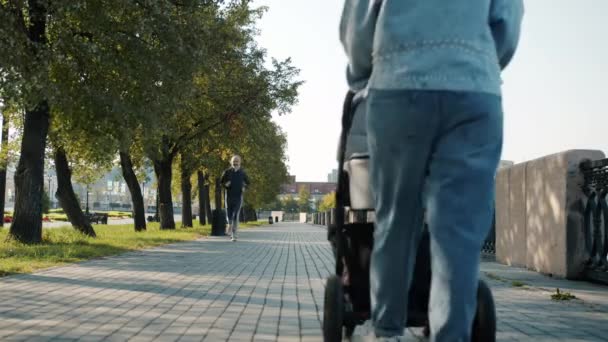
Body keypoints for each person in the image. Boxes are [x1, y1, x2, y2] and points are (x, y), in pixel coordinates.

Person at [340, 1, 523, 341]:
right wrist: (474, 61)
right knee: (458, 233)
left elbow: (358, 27)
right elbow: (507, 23)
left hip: (399, 83)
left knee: (395, 220)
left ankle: (387, 332)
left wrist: (367, 75)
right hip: (473, 90)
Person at [220, 155, 250, 242]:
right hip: (228, 197)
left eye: (237, 162)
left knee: (235, 216)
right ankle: (229, 224)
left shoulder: (242, 173)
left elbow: (248, 183)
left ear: (240, 162)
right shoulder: (227, 172)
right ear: (231, 162)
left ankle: (234, 235)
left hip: (238, 197)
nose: (235, 163)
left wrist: (244, 187)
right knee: (229, 215)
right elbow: (221, 182)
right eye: (234, 162)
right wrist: (226, 185)